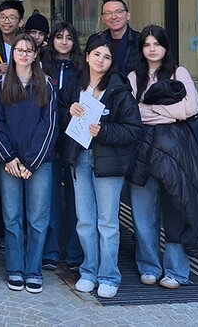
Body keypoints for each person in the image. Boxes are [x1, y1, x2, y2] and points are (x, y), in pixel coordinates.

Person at [59, 32, 142, 299]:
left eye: (107, 57)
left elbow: (133, 129)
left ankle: (109, 276)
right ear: (87, 56)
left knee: (107, 223)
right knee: (84, 221)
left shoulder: (119, 88)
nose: (101, 60)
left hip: (108, 163)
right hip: (79, 159)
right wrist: (67, 112)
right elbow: (58, 113)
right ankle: (88, 271)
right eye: (96, 54)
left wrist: (103, 131)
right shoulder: (74, 85)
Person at [127, 24, 198, 290]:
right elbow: (133, 114)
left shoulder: (178, 72)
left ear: (165, 47)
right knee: (143, 213)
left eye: (156, 44)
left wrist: (152, 108)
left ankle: (176, 270)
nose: (152, 49)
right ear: (141, 49)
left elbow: (191, 108)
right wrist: (170, 111)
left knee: (176, 208)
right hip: (142, 149)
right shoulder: (133, 78)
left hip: (175, 151)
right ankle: (149, 265)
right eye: (147, 45)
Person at [0, 36, 60, 294]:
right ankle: (15, 268)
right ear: (12, 53)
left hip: (38, 162)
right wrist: (9, 157)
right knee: (12, 218)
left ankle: (33, 270)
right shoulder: (1, 83)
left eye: (29, 50)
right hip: (9, 162)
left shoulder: (47, 84)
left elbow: (50, 125)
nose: (24, 54)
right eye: (19, 50)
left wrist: (31, 161)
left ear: (35, 55)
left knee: (38, 219)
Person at [38, 23, 84, 273]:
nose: (64, 41)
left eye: (69, 37)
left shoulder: (82, 68)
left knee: (76, 199)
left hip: (75, 140)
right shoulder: (42, 66)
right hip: (48, 140)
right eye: (59, 37)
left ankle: (75, 253)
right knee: (50, 198)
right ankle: (51, 251)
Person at [87, 0, 141, 78]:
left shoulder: (140, 40)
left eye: (119, 12)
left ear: (128, 16)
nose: (113, 17)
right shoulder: (95, 40)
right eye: (108, 13)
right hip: (102, 88)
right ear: (103, 19)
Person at [0, 0, 24, 77]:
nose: (6, 21)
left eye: (12, 18)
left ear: (21, 23)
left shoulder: (26, 47)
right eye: (3, 17)